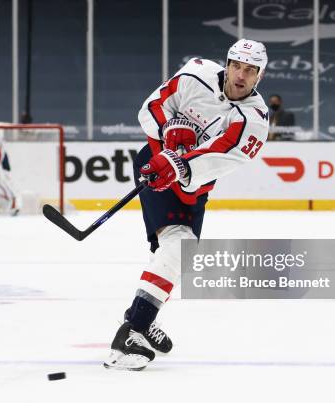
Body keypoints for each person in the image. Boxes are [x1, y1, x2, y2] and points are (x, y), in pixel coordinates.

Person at [103, 39, 269, 371]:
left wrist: (179, 164)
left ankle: (141, 315)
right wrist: (166, 139)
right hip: (155, 163)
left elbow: (221, 157)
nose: (240, 75)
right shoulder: (196, 73)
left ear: (259, 77)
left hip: (194, 184)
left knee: (178, 254)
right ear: (227, 63)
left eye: (250, 71)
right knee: (178, 246)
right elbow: (152, 107)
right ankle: (132, 331)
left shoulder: (255, 120)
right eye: (236, 65)